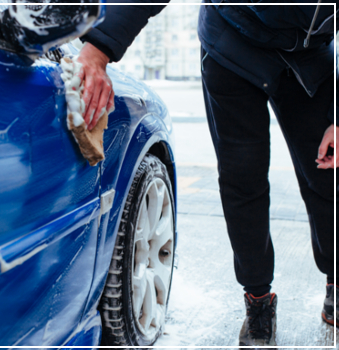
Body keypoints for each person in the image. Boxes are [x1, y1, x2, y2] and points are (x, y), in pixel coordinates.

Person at [76, 0, 338, 346]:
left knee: (328, 172)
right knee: (243, 179)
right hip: (233, 44)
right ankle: (258, 300)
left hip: (310, 51)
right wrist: (98, 48)